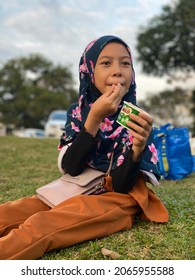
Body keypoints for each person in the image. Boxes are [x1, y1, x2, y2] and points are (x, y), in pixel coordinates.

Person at [0, 35, 168, 260]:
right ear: (89, 70)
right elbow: (72, 167)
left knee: (42, 225)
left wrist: (137, 148)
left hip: (115, 196)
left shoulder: (138, 120)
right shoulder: (79, 112)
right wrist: (94, 118)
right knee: (9, 213)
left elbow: (121, 187)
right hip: (77, 184)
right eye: (106, 63)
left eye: (125, 63)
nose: (117, 70)